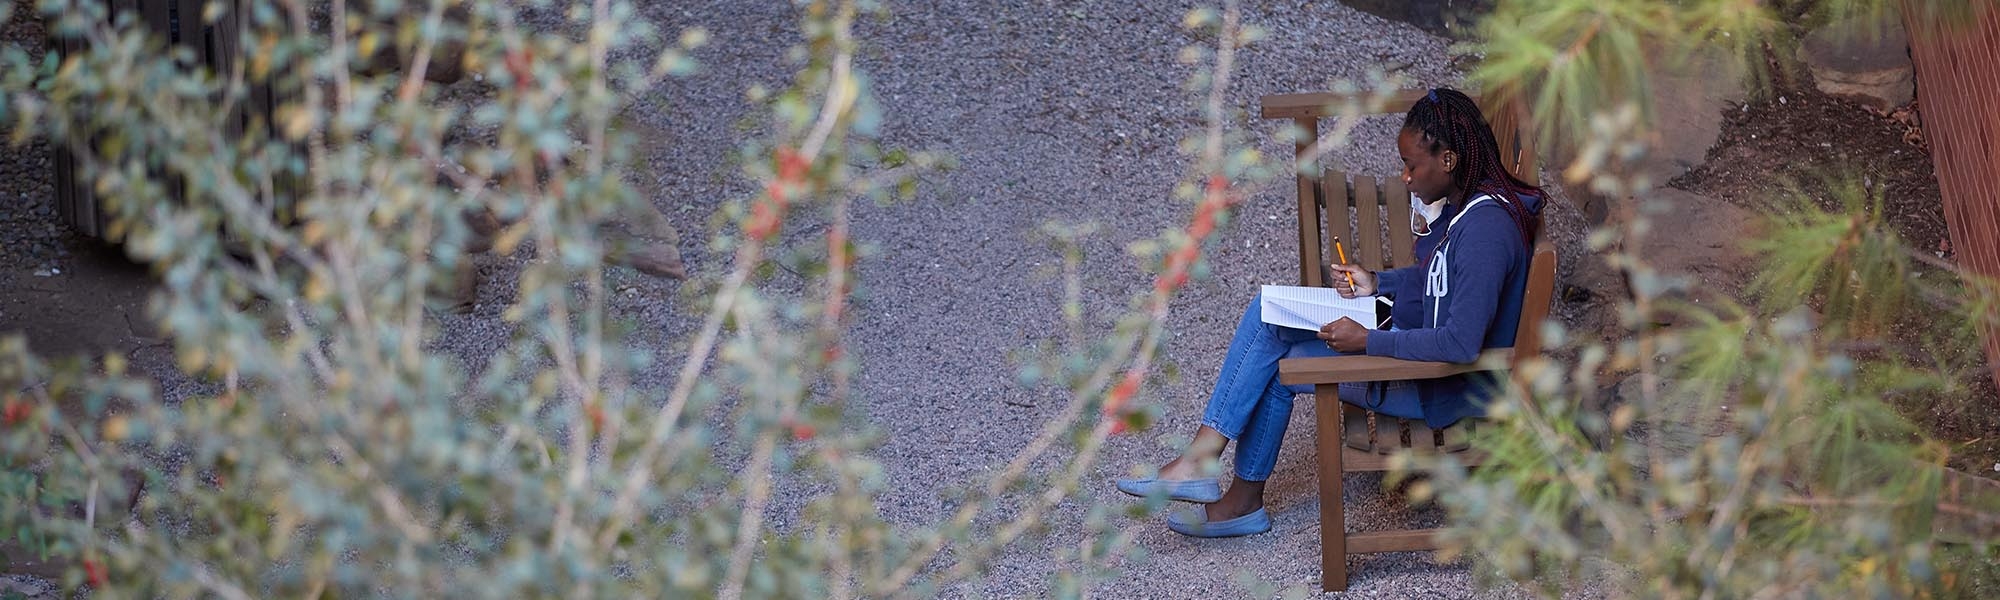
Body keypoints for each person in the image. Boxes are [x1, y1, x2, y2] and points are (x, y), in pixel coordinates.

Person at [1114, 88, 1543, 537]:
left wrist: (1366, 341)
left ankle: (1229, 489)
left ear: (1450, 160)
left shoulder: (1485, 232)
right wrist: (1377, 282)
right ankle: (1209, 469)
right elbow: (1438, 278)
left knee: (1280, 364)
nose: (1406, 178)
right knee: (1268, 314)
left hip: (1439, 387)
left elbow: (1460, 342)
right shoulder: (1467, 210)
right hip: (1420, 356)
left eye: (1413, 165)